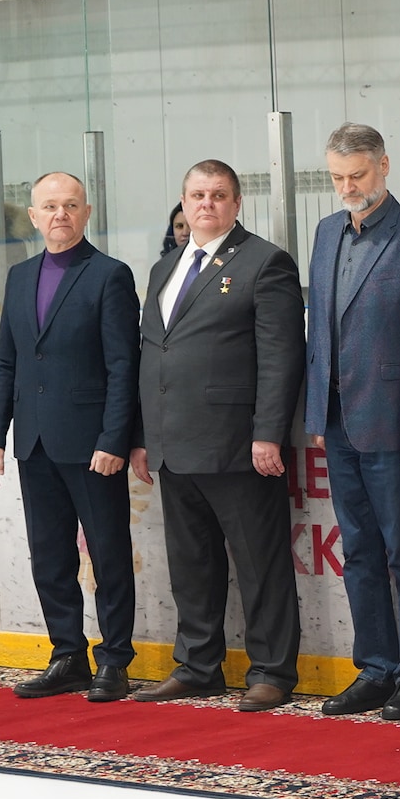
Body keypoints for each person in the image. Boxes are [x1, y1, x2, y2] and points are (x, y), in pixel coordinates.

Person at [130, 160, 306, 712]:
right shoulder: (164, 268)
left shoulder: (265, 262)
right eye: (198, 195)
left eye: (218, 195)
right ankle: (198, 666)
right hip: (173, 442)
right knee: (192, 564)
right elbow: (152, 354)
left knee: (259, 563)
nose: (207, 204)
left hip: (238, 444)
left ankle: (272, 671)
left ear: (236, 203)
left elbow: (280, 357)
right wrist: (143, 435)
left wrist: (268, 434)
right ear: (184, 203)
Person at [0, 172, 141, 702]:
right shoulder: (19, 277)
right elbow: (8, 362)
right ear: (33, 216)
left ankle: (114, 660)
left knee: (108, 554)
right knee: (49, 557)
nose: (60, 214)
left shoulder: (109, 275)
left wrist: (114, 439)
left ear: (86, 212)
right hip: (34, 442)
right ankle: (67, 655)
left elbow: (124, 366)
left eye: (70, 205)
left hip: (92, 444)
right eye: (49, 206)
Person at [305, 125, 400, 722]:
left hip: (395, 423)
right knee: (358, 551)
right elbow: (319, 328)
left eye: (357, 175)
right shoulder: (325, 232)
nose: (347, 187)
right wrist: (315, 410)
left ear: (384, 166)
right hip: (338, 420)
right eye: (337, 177)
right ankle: (375, 668)